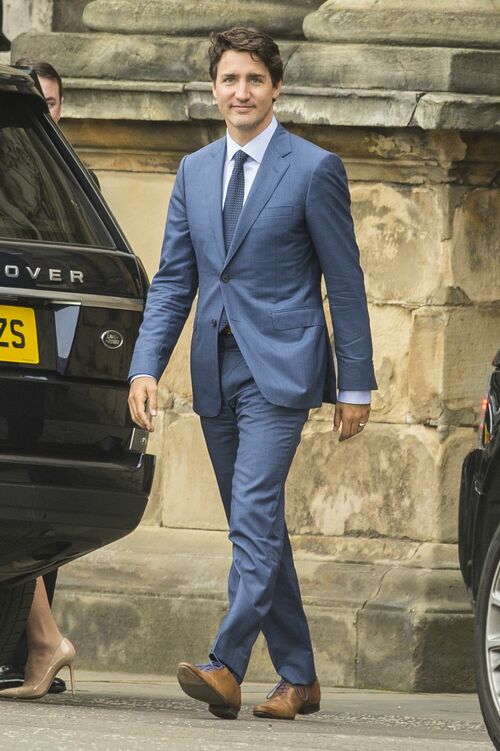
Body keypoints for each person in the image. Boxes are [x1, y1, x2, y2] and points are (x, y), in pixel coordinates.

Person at [128, 26, 376, 721]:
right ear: (215, 89)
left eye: (254, 80)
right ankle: (299, 676)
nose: (242, 92)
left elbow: (345, 280)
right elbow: (174, 280)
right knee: (254, 521)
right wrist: (145, 366)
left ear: (276, 88)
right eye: (230, 79)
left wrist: (355, 383)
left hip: (283, 368)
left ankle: (226, 662)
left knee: (255, 511)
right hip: (215, 368)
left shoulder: (314, 168)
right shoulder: (194, 171)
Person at [0, 59, 76, 700]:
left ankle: (42, 642)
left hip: (42, 366)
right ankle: (41, 643)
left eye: (48, 102)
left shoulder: (71, 183)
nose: (41, 112)